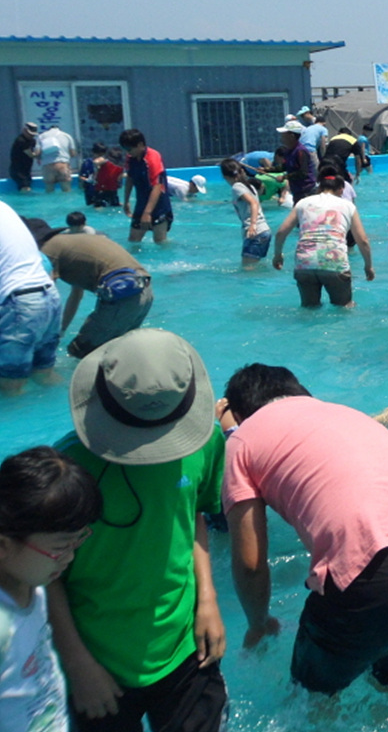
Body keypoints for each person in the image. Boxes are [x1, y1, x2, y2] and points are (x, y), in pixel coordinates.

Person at [220, 363, 388, 696]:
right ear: (301, 392)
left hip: (374, 575)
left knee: (310, 703)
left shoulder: (243, 441)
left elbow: (249, 563)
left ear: (239, 413)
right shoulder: (351, 415)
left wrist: (258, 624)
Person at [48, 329, 228, 732]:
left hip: (186, 645)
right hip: (98, 661)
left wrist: (208, 600)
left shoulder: (205, 441)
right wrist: (77, 664)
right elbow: (44, 572)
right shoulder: (67, 470)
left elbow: (193, 513)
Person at [0, 446, 102, 732]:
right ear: (4, 545)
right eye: (60, 548)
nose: (70, 557)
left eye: (78, 540)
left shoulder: (36, 587)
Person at [25, 218, 153, 360]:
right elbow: (76, 296)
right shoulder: (70, 243)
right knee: (115, 353)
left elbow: (43, 297)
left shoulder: (47, 250)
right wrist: (61, 330)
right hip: (142, 292)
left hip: (122, 295)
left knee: (80, 352)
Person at [273, 163, 374, 308]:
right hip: (334, 262)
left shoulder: (303, 203)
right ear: (341, 189)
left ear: (319, 187)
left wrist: (278, 255)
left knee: (309, 309)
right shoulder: (348, 206)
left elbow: (281, 232)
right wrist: (368, 266)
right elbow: (363, 241)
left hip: (304, 263)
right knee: (344, 307)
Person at [0, 201, 62, 397]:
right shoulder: (4, 208)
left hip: (20, 304)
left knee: (10, 387)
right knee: (44, 376)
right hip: (49, 296)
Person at [118, 129, 173, 245]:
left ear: (140, 145)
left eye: (129, 149)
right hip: (142, 202)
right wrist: (126, 200)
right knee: (133, 241)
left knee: (160, 242)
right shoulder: (131, 158)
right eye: (125, 150)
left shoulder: (153, 158)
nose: (127, 153)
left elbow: (157, 186)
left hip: (159, 204)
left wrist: (147, 213)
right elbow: (130, 178)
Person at [219, 158, 272, 270]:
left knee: (247, 271)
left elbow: (253, 203)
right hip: (264, 231)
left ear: (225, 176)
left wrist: (253, 225)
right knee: (255, 268)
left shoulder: (237, 187)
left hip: (255, 233)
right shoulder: (249, 186)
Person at [275, 119, 317, 203]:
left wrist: (284, 177)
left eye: (284, 134)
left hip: (306, 191)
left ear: (292, 136)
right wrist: (266, 170)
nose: (281, 137)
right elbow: (284, 167)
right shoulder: (288, 151)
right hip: (297, 191)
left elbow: (303, 173)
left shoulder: (301, 151)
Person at [37, 124, 78, 194]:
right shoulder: (67, 136)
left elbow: (37, 153)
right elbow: (73, 154)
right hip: (63, 165)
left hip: (47, 166)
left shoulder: (41, 136)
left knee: (49, 191)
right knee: (66, 191)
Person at [9, 121, 38, 192]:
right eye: (30, 134)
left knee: (28, 186)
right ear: (24, 130)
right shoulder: (21, 141)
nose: (31, 136)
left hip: (26, 170)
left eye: (33, 135)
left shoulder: (32, 141)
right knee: (25, 188)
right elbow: (31, 155)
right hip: (18, 170)